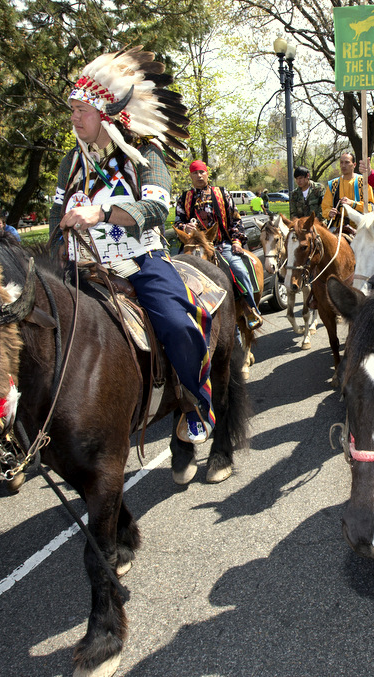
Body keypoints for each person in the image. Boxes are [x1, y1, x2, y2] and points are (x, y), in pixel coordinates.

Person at [50, 47, 217, 443]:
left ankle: (196, 401)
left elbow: (156, 209)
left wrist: (101, 214)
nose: (73, 118)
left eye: (81, 111)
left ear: (106, 115)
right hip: (80, 267)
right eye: (72, 110)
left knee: (178, 325)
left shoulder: (145, 154)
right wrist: (60, 237)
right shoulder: (70, 162)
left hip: (139, 261)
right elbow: (56, 212)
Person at [175, 160, 264, 330]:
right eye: (195, 173)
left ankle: (250, 310)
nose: (199, 175)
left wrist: (237, 241)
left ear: (207, 173)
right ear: (191, 176)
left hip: (221, 245)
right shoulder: (184, 198)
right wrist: (185, 227)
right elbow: (178, 221)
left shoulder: (222, 193)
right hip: (194, 246)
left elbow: (235, 219)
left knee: (240, 270)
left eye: (202, 172)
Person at [321, 152, 374, 223]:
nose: (343, 165)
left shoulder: (364, 182)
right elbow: (325, 208)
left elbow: (371, 207)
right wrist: (329, 213)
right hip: (338, 225)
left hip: (360, 225)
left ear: (354, 165)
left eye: (347, 162)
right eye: (341, 162)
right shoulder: (333, 184)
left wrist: (353, 204)